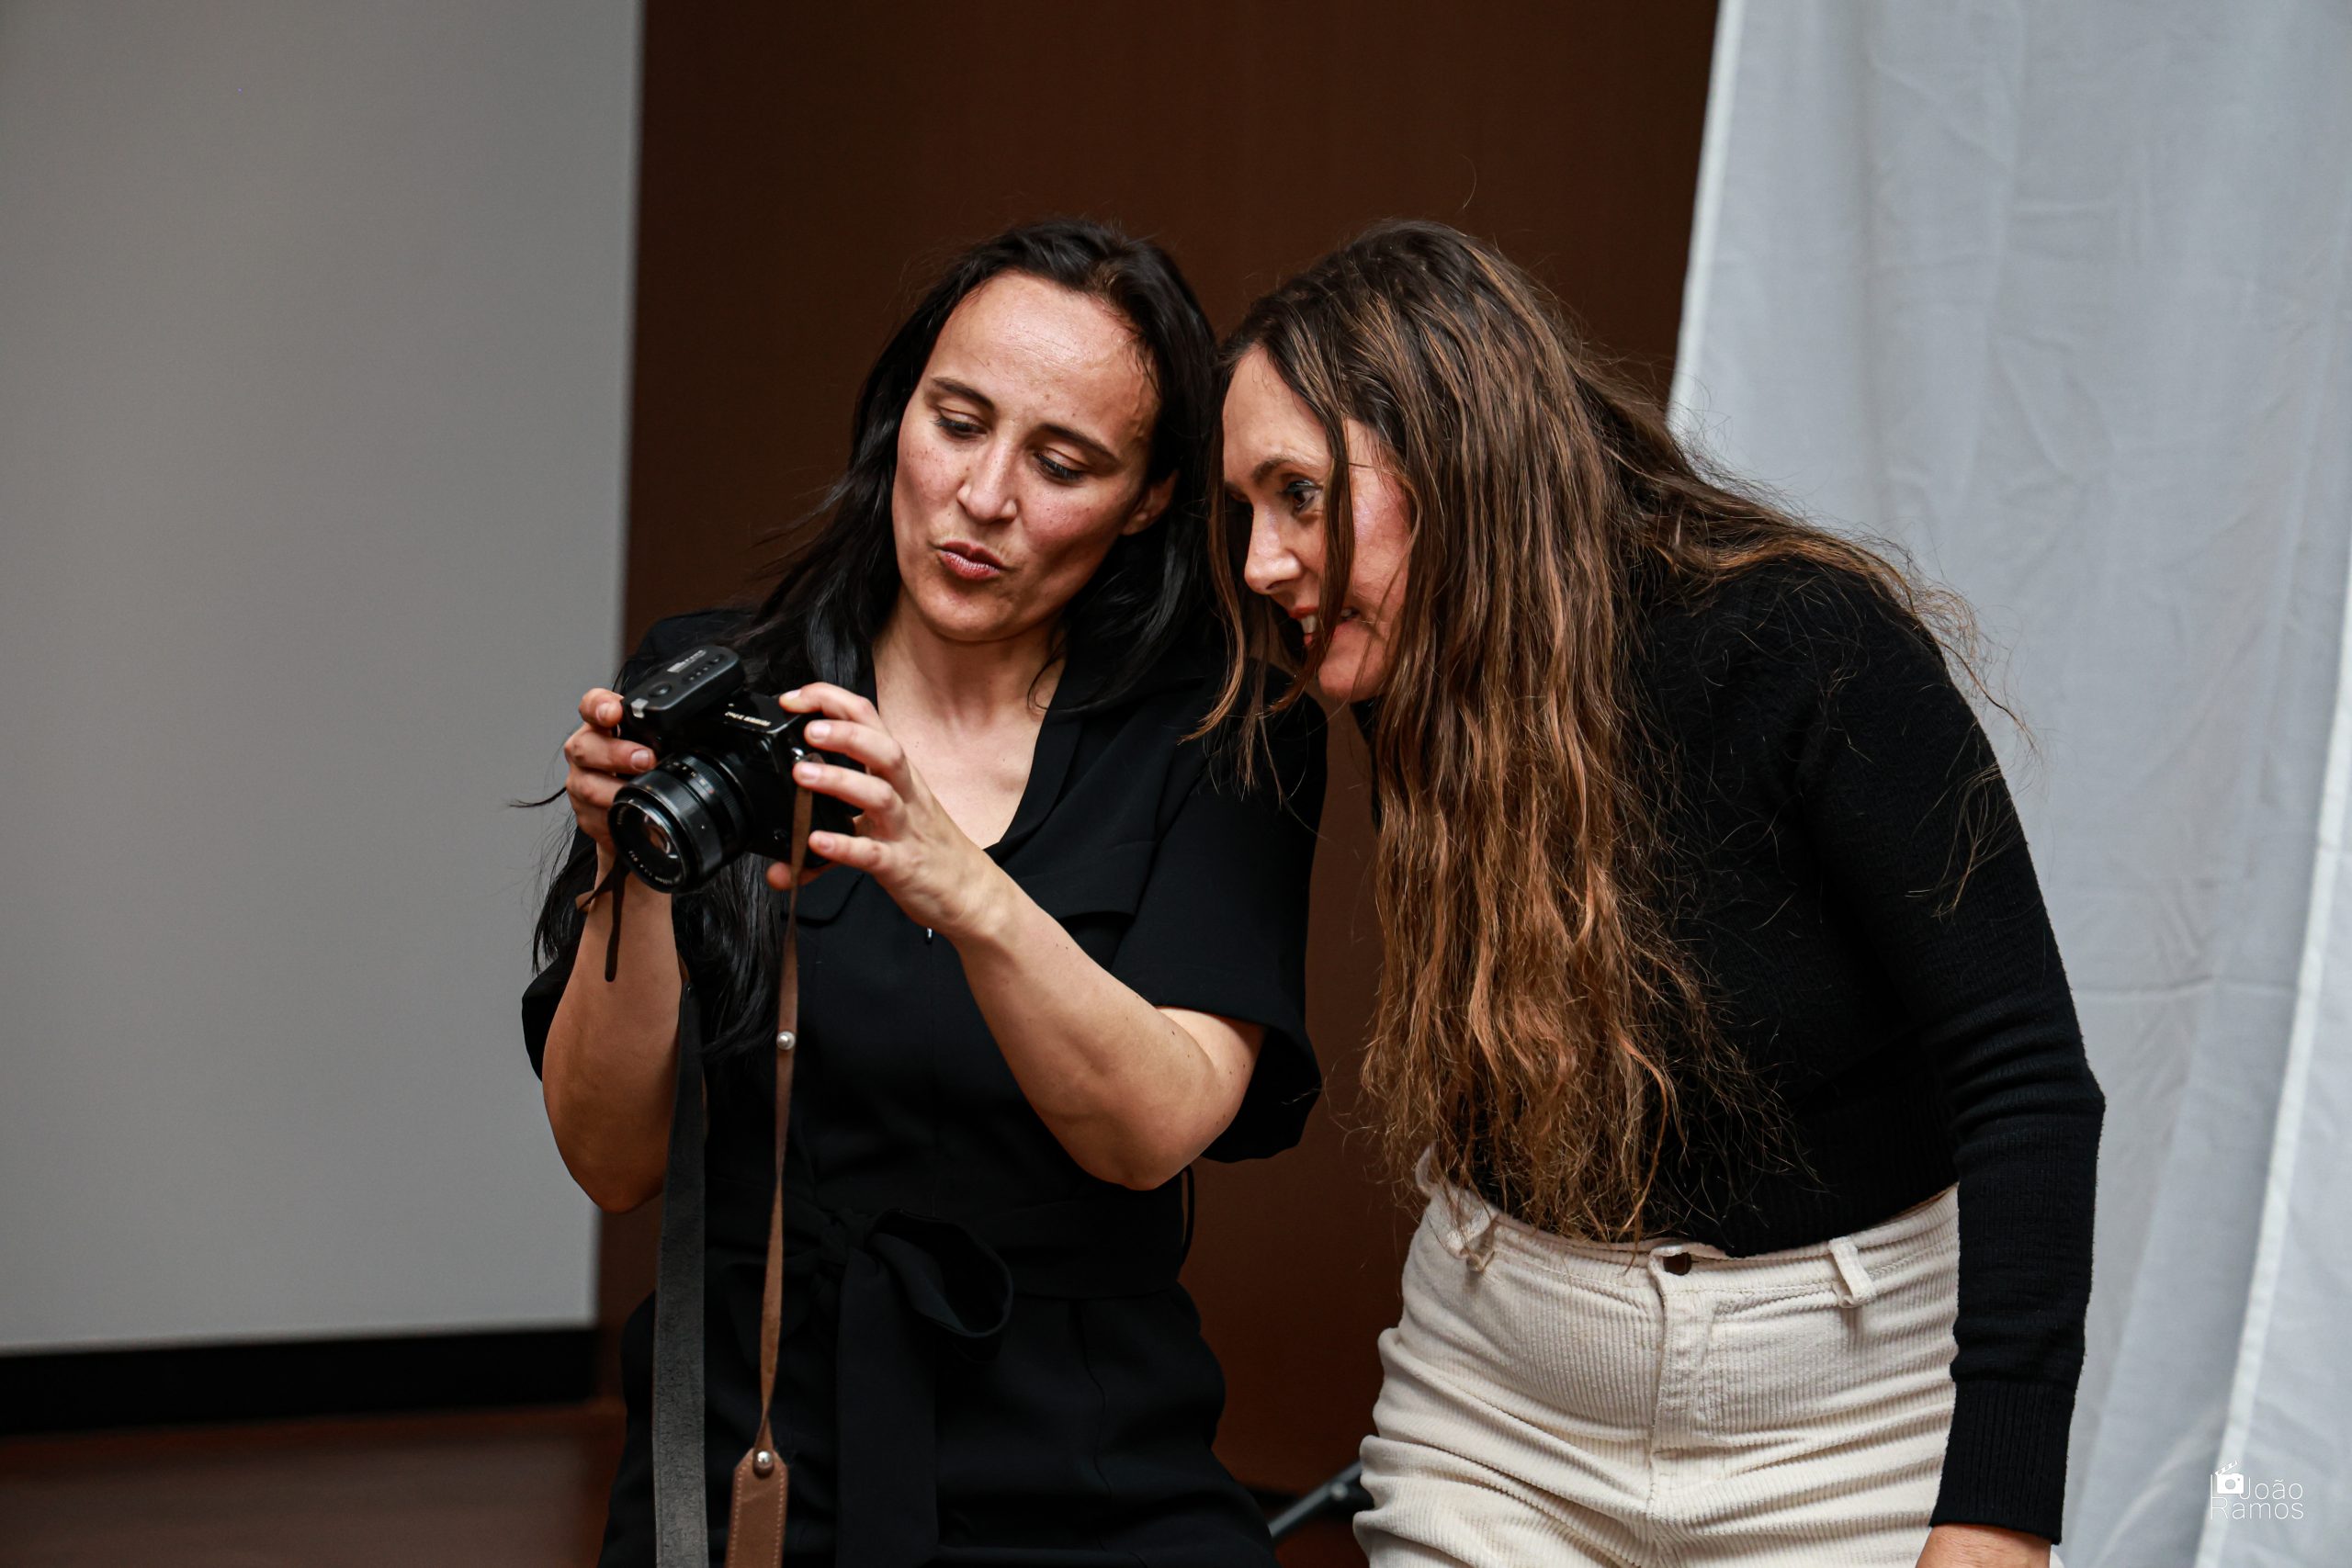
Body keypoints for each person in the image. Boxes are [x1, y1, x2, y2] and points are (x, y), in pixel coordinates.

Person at [1210, 220, 2104, 1568]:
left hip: (1847, 1440)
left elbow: (2030, 1082)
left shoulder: (1807, 647)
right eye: (1246, 509)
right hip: (1502, 1417)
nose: (1264, 561)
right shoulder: (1416, 668)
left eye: (1299, 494)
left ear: (1460, 462)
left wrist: (1999, 1517)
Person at [526, 220, 1324, 1568]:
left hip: (1086, 1465)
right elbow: (612, 1163)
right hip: (750, 1445)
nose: (983, 495)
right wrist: (631, 874)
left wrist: (967, 887)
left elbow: (1154, 1132)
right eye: (956, 424)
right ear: (902, 414)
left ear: (1148, 499)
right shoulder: (725, 691)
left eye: (1061, 464)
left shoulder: (1221, 732)